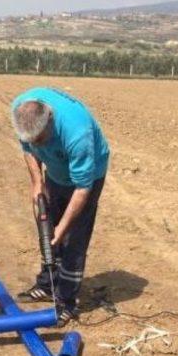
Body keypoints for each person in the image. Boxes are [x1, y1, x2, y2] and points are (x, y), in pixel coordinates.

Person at [11, 87, 110, 326]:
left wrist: (63, 228)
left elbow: (82, 189)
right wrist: (37, 182)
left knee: (72, 239)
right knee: (47, 229)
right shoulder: (21, 109)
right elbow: (27, 148)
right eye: (32, 140)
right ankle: (47, 284)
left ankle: (67, 301)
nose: (37, 145)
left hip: (86, 179)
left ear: (50, 120)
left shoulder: (77, 133)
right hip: (55, 173)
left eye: (41, 139)